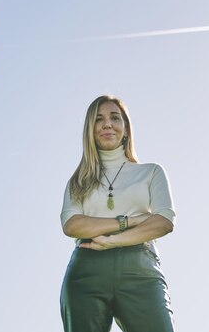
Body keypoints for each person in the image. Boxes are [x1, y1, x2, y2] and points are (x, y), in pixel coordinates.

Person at [60, 95, 176, 332]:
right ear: (90, 130)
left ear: (126, 129)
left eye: (115, 117)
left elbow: (163, 222)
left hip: (140, 269)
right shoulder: (78, 181)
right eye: (99, 119)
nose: (107, 124)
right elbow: (72, 225)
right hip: (86, 271)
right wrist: (129, 221)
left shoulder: (151, 172)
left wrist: (112, 241)